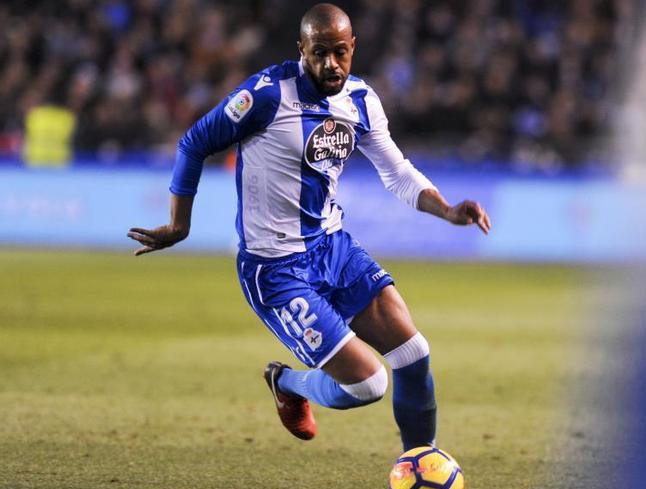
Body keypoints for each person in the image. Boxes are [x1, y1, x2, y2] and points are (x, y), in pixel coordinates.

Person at [127, 3, 490, 451]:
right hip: (276, 268)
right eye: (319, 52)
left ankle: (419, 463)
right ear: (301, 49)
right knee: (368, 385)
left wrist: (449, 209)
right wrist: (179, 224)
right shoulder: (265, 95)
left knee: (414, 353)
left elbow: (396, 172)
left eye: (340, 52)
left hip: (332, 247)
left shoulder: (360, 101)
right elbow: (195, 141)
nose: (331, 64)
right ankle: (288, 383)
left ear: (353, 47)